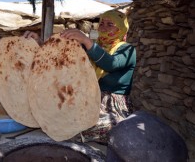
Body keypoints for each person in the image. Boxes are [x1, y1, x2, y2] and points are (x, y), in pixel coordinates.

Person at [24, 9, 136, 144]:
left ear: (121, 29)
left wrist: (86, 40)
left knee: (82, 129)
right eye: (102, 23)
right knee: (58, 120)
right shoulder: (91, 49)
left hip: (112, 107)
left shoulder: (128, 50)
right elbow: (62, 59)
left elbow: (111, 64)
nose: (104, 27)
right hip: (86, 100)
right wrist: (41, 44)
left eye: (110, 24)